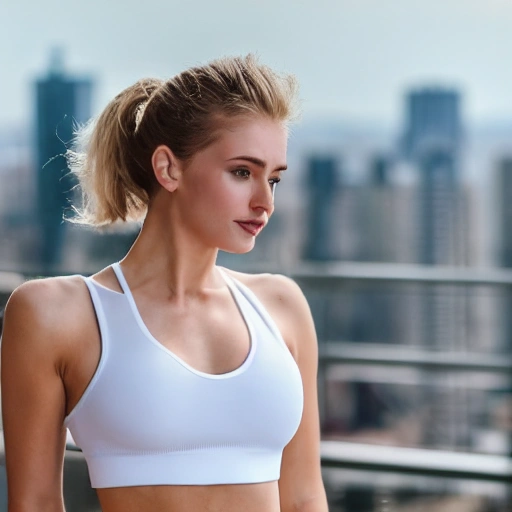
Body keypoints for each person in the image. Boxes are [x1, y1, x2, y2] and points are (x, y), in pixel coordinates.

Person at [1, 55, 328, 512]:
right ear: (168, 169)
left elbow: (304, 498)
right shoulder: (55, 315)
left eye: (273, 178)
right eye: (242, 172)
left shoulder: (281, 307)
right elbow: (34, 503)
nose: (264, 202)